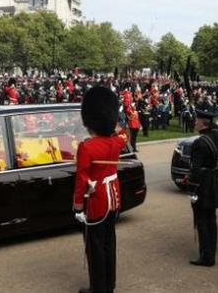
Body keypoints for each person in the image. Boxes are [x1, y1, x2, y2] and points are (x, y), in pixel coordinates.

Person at [73, 86, 125, 293]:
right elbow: (123, 132)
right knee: (109, 243)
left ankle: (98, 288)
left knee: (94, 247)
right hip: (114, 196)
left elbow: (81, 180)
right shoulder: (117, 142)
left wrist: (78, 207)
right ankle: (109, 285)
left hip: (96, 201)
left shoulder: (87, 147)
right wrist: (112, 122)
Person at [186, 108, 218, 267]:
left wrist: (192, 188)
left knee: (202, 221)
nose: (194, 122)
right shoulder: (215, 136)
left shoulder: (199, 142)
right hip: (212, 182)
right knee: (211, 220)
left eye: (197, 120)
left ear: (202, 123)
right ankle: (210, 254)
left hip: (203, 185)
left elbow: (195, 169)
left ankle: (205, 257)